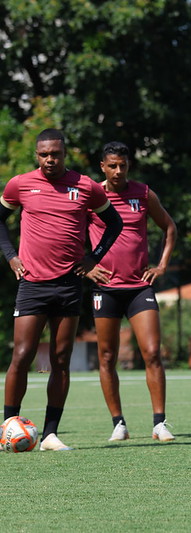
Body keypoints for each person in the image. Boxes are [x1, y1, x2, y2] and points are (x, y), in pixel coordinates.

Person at [0, 128, 122, 451]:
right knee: (22, 355)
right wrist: (11, 257)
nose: (49, 159)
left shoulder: (86, 186)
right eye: (44, 154)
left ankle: (51, 434)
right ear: (36, 155)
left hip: (68, 285)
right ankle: (7, 426)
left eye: (55, 154)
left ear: (64, 154)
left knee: (61, 359)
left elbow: (115, 223)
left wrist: (93, 257)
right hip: (32, 284)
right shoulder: (20, 184)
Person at [85, 142, 178, 442]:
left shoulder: (143, 193)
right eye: (112, 165)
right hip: (105, 289)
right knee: (107, 356)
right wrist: (86, 268)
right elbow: (70, 233)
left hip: (140, 288)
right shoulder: (92, 197)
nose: (118, 171)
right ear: (102, 166)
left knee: (152, 352)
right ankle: (118, 424)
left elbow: (169, 227)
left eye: (123, 165)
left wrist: (161, 265)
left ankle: (160, 423)